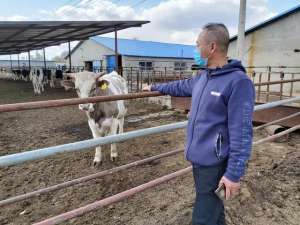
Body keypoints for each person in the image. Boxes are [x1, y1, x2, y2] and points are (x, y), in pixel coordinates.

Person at [143, 23, 255, 225]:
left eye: (197, 45)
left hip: (215, 163)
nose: (195, 50)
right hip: (200, 160)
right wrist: (153, 86)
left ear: (211, 48)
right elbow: (179, 86)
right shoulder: (204, 76)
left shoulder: (238, 82)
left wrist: (233, 174)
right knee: (214, 210)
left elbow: (243, 132)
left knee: (203, 218)